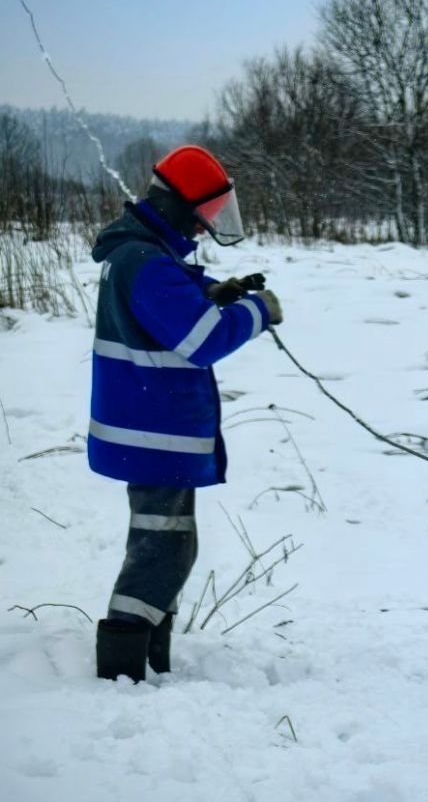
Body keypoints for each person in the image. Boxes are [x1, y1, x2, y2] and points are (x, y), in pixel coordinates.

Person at [88, 145, 283, 682]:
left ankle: (149, 661)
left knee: (169, 545)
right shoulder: (145, 262)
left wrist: (213, 292)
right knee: (163, 549)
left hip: (154, 431)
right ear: (178, 207)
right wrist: (253, 312)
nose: (203, 230)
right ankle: (122, 670)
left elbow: (175, 304)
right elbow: (203, 341)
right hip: (153, 433)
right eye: (202, 218)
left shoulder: (147, 255)